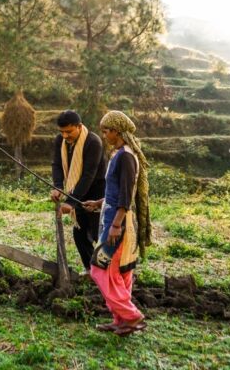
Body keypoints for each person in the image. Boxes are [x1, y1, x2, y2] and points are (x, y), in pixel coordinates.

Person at [82, 110, 152, 337]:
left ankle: (131, 316)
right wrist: (99, 202)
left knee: (99, 268)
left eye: (106, 131)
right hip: (115, 218)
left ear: (117, 131)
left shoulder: (125, 157)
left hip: (118, 224)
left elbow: (125, 195)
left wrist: (116, 225)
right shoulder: (122, 154)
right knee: (121, 273)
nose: (104, 135)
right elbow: (118, 192)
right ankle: (120, 320)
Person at [51, 110, 106, 274]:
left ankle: (111, 272)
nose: (65, 135)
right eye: (62, 132)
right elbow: (57, 164)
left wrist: (70, 202)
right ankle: (92, 270)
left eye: (69, 131)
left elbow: (89, 174)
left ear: (79, 126)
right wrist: (58, 186)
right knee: (80, 234)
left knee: (98, 234)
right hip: (75, 191)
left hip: (96, 192)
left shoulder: (93, 142)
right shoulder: (60, 141)